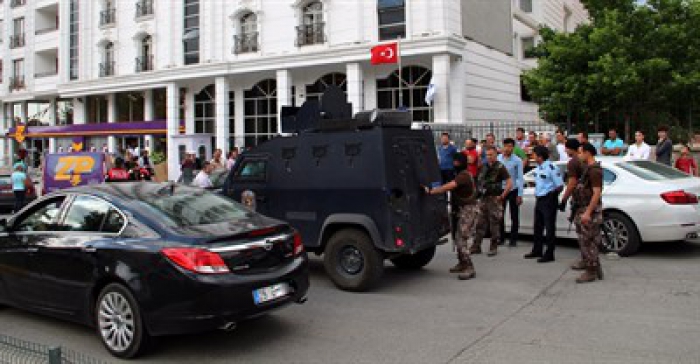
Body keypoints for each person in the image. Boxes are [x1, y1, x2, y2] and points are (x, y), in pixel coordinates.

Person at [425, 153, 477, 280]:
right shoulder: (461, 174)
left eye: (456, 162)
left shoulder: (463, 175)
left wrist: (431, 191)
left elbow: (450, 186)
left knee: (461, 239)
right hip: (461, 210)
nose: (454, 164)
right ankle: (461, 262)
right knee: (457, 237)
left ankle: (469, 267)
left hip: (468, 210)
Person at [470, 147, 513, 256]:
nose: (489, 157)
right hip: (484, 198)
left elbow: (509, 182)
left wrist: (503, 195)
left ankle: (493, 247)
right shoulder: (484, 166)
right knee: (480, 223)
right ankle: (476, 246)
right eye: (487, 155)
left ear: (495, 155)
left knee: (494, 223)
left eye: (491, 155)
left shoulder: (500, 167)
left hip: (494, 198)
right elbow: (479, 181)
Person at [524, 146, 564, 263]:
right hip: (540, 199)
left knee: (549, 227)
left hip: (548, 200)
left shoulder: (551, 167)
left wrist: (551, 195)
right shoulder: (539, 168)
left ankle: (550, 253)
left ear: (540, 156)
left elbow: (559, 185)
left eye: (534, 154)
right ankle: (537, 249)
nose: (532, 156)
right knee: (538, 226)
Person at [572, 142, 605, 283]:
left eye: (580, 152)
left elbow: (596, 193)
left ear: (587, 153)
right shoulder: (588, 168)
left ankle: (591, 271)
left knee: (589, 241)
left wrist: (588, 213)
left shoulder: (594, 171)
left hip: (589, 210)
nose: (578, 155)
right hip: (582, 208)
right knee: (584, 240)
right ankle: (593, 266)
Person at [558, 139, 585, 269]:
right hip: (586, 198)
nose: (565, 150)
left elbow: (571, 183)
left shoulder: (573, 162)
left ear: (571, 149)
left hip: (580, 201)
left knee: (582, 233)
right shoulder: (584, 159)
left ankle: (586, 261)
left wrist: (563, 199)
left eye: (566, 148)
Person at [498, 139, 524, 247]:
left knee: (514, 215)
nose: (508, 148)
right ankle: (501, 237)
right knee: (500, 214)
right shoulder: (499, 159)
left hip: (513, 189)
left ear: (513, 148)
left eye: (510, 146)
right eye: (506, 146)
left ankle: (513, 239)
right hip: (501, 189)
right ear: (503, 146)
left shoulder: (517, 160)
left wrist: (520, 194)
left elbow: (520, 178)